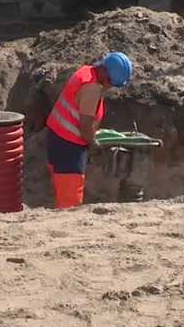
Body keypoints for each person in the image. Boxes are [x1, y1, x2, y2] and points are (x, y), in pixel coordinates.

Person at [44, 52, 133, 209]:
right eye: (113, 83)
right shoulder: (92, 89)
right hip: (69, 148)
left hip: (56, 138)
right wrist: (93, 143)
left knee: (61, 193)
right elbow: (84, 125)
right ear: (107, 75)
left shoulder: (85, 71)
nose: (110, 86)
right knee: (70, 202)